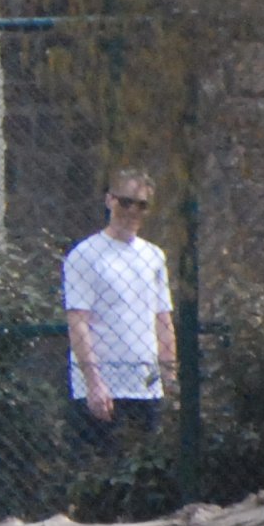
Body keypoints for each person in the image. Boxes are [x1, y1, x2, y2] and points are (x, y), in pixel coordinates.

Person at [64, 166, 175, 463]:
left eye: (142, 205)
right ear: (110, 201)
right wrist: (94, 382)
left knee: (147, 471)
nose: (133, 211)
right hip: (104, 386)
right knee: (99, 469)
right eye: (126, 202)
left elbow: (162, 319)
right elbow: (78, 321)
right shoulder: (85, 255)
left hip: (145, 385)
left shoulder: (154, 256)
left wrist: (169, 377)